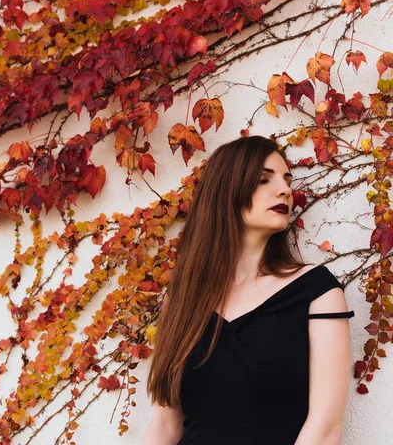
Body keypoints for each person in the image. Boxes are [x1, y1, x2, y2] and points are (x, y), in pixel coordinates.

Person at [143, 135, 354, 445]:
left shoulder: (316, 292)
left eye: (287, 179)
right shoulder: (183, 297)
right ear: (227, 190)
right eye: (263, 180)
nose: (285, 189)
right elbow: (165, 426)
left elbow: (323, 432)